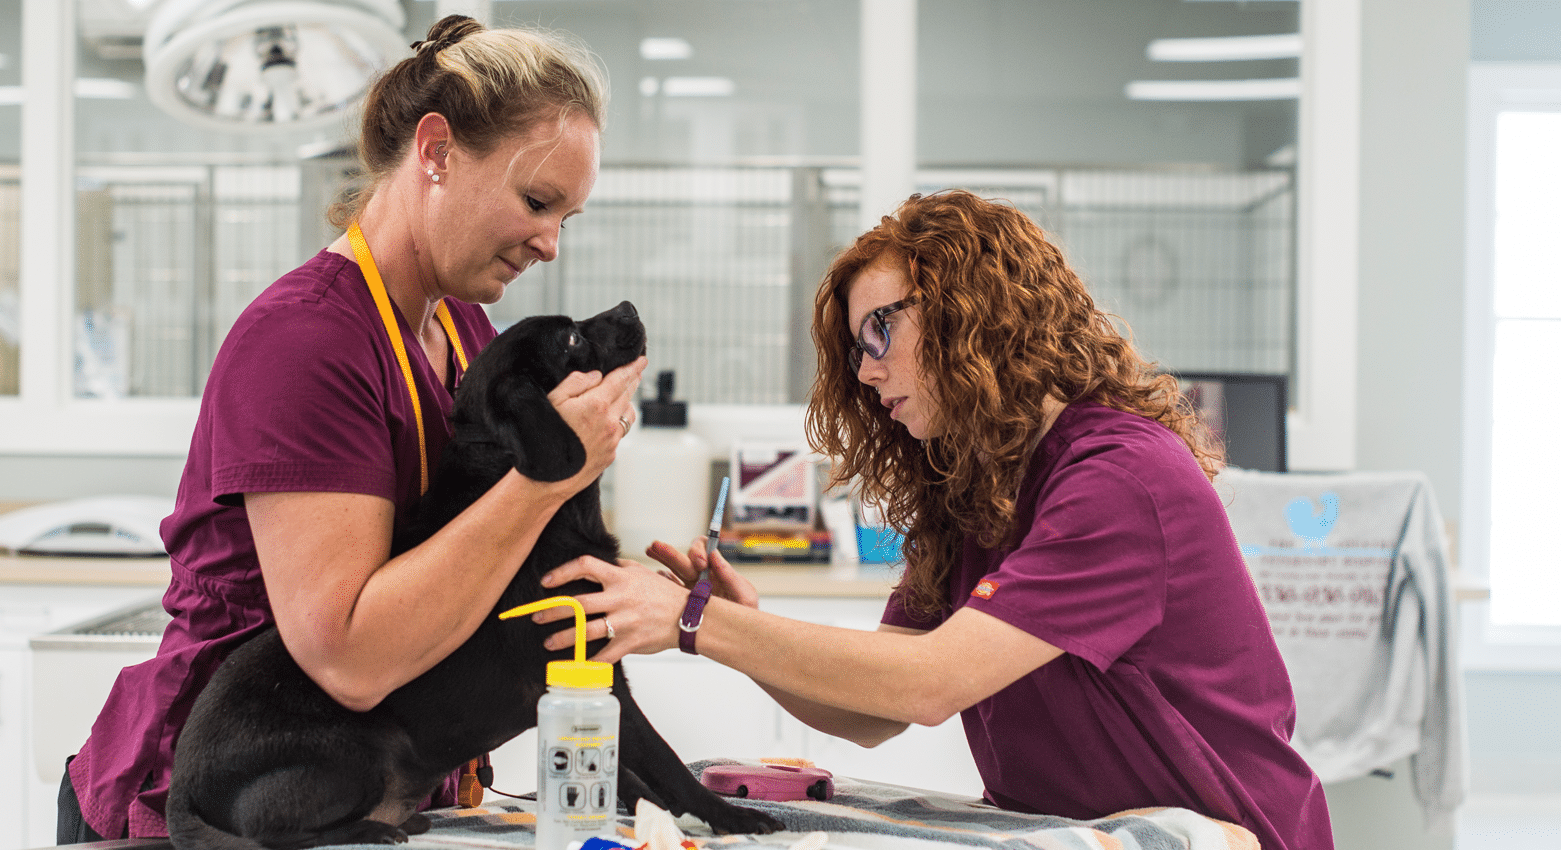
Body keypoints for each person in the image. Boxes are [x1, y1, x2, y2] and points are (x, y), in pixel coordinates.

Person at [537, 190, 1335, 850]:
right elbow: (875, 711)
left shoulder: (1119, 477)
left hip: (1230, 834)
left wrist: (693, 621)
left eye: (882, 329)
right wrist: (749, 636)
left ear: (975, 314)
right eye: (856, 347)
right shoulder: (977, 485)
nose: (867, 368)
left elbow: (930, 684)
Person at [61, 16, 645, 843]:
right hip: (231, 804)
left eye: (567, 218)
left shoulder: (464, 332)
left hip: (366, 791)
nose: (550, 243)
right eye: (537, 201)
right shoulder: (304, 343)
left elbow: (481, 557)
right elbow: (349, 657)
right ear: (436, 151)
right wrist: (552, 471)